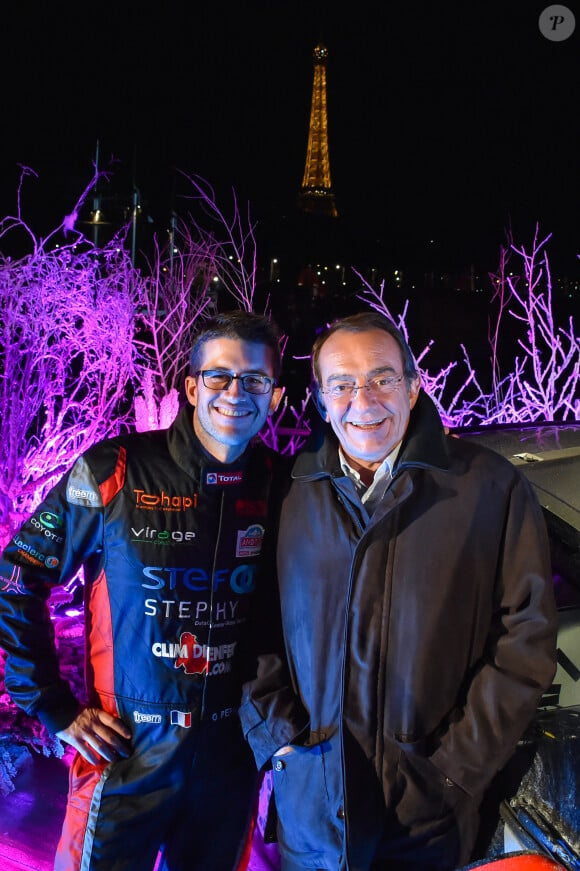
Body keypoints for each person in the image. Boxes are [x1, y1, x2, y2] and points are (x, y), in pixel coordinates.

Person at [239, 311, 558, 871]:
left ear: (414, 387)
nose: (363, 400)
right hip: (311, 804)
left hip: (428, 814)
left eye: (383, 378)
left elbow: (525, 637)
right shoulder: (288, 493)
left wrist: (455, 768)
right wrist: (280, 741)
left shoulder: (487, 487)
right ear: (319, 400)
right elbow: (251, 622)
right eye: (341, 384)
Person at [0, 310, 285, 871]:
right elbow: (16, 578)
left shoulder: (283, 484)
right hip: (125, 755)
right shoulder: (115, 469)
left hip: (230, 764)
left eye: (255, 380)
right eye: (219, 376)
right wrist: (54, 707)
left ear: (274, 396)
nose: (236, 393)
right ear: (190, 387)